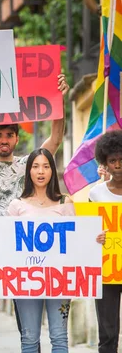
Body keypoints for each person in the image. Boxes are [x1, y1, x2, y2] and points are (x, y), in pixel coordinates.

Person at [0, 74, 70, 351]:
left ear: (17, 137)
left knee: (28, 330)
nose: (4, 139)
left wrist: (60, 101)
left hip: (24, 255)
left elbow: (56, 137)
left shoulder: (30, 163)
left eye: (9, 134)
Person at [0, 148, 106, 352]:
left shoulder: (65, 203)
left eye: (46, 166)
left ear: (52, 170)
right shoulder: (16, 206)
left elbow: (76, 241)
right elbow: (5, 242)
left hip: (61, 280)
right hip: (26, 281)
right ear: (29, 171)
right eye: (36, 166)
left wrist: (94, 240)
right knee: (29, 338)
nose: (41, 171)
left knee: (59, 337)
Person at [90, 130, 122, 352]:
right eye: (112, 161)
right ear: (105, 163)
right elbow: (87, 232)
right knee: (108, 332)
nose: (118, 166)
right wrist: (95, 236)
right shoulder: (96, 193)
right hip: (106, 270)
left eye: (121, 160)